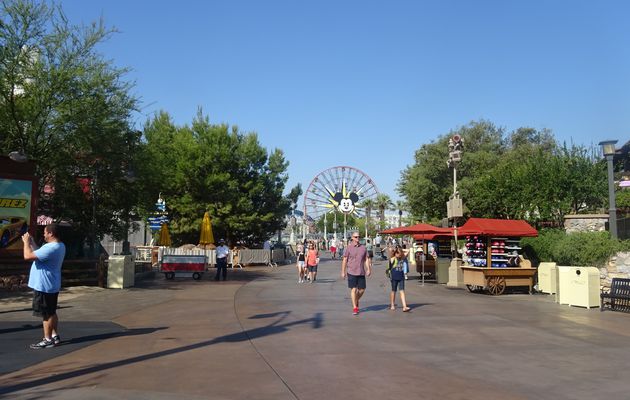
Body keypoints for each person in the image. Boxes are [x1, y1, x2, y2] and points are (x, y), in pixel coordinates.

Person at [23, 223, 66, 349]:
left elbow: (28, 256)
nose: (44, 234)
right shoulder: (60, 245)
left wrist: (26, 243)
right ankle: (55, 336)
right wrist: (31, 242)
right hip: (52, 284)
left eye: (45, 232)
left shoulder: (51, 248)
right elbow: (39, 252)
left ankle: (47, 339)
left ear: (51, 233)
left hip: (44, 285)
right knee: (52, 312)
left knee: (46, 314)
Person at [341, 231, 371, 315]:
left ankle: (356, 299)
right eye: (356, 237)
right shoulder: (348, 248)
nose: (358, 238)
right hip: (351, 271)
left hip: (361, 271)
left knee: (362, 289)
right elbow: (344, 260)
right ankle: (355, 307)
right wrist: (343, 271)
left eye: (358, 237)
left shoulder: (363, 248)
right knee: (353, 289)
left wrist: (369, 269)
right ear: (352, 238)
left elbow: (366, 259)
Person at [387, 246, 410, 312]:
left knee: (402, 291)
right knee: (393, 291)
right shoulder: (392, 259)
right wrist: (394, 250)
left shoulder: (402, 258)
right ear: (395, 253)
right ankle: (392, 305)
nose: (399, 255)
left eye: (400, 254)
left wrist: (400, 249)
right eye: (397, 253)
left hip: (401, 277)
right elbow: (391, 251)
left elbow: (408, 250)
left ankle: (404, 306)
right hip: (394, 277)